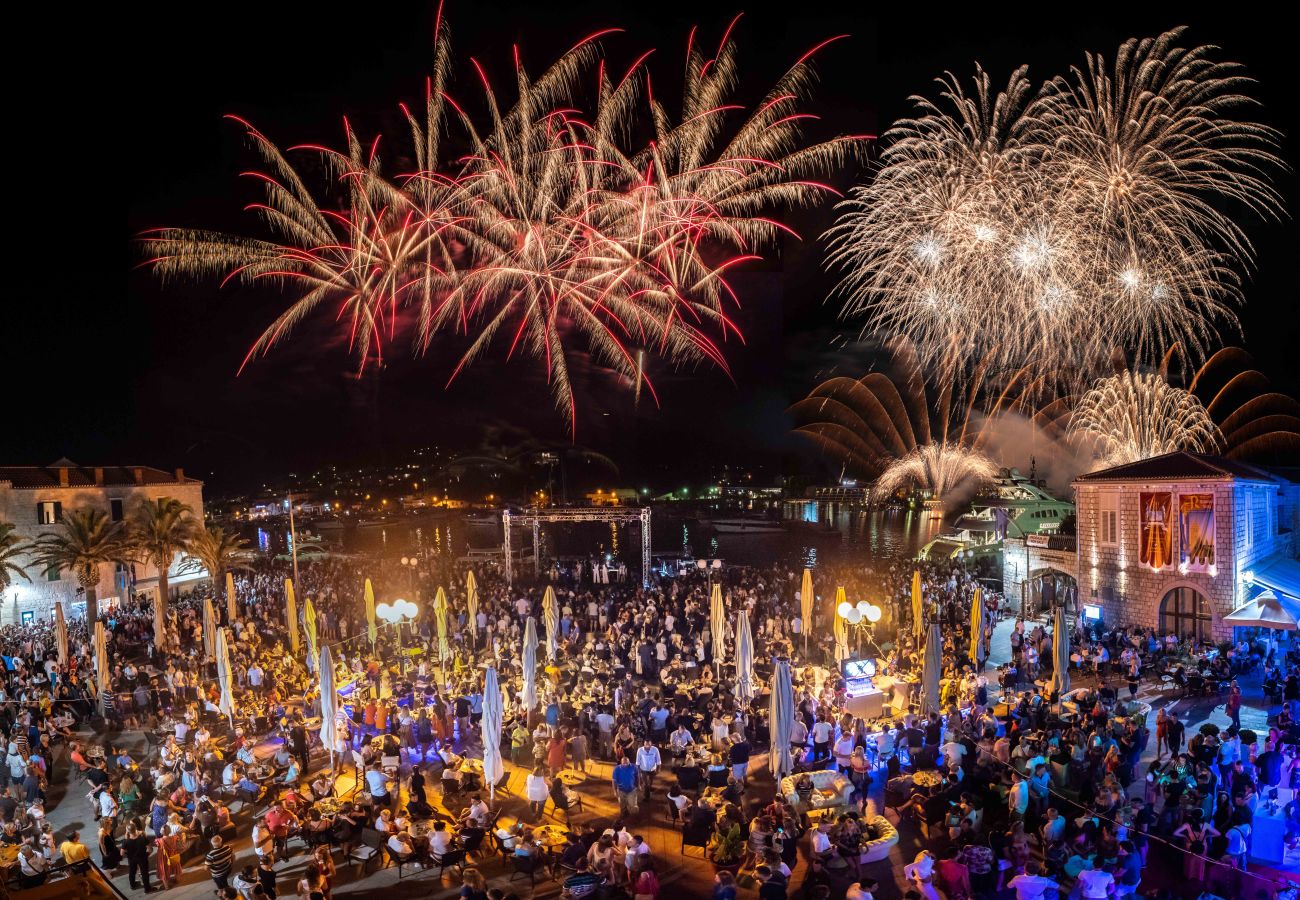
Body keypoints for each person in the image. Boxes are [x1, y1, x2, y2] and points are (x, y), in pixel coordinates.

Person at [123, 819, 153, 892]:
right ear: (135, 829)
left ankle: (132, 885)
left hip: (132, 859)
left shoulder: (126, 841)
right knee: (144, 873)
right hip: (142, 858)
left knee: (132, 872)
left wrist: (128, 855)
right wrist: (146, 855)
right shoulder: (142, 838)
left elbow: (122, 853)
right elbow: (150, 849)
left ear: (128, 831)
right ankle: (147, 889)